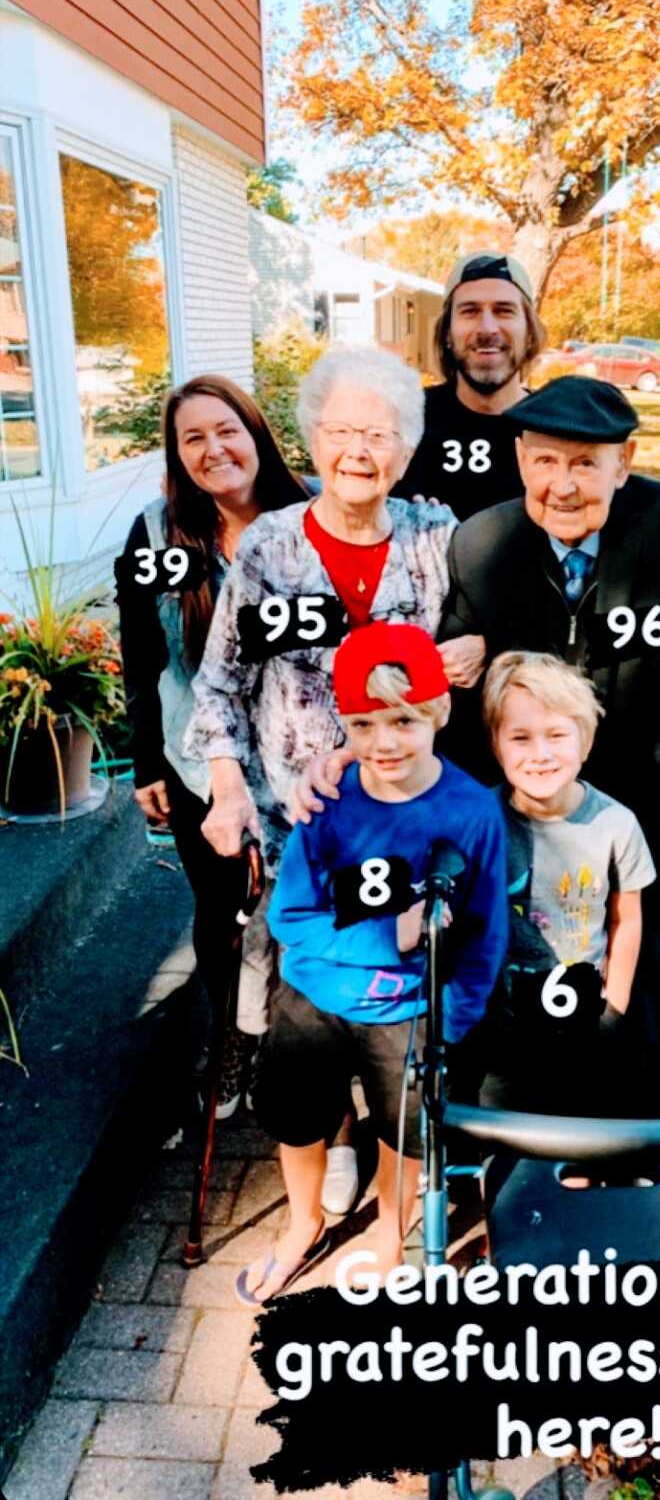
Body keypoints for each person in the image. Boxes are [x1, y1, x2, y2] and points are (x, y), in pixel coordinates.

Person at [298, 376, 660, 1105]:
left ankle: (627, 1135)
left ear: (622, 464)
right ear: (521, 458)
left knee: (642, 975)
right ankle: (518, 1142)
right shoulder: (483, 541)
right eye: (544, 462)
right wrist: (375, 746)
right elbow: (444, 678)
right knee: (513, 960)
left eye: (585, 464)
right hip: (529, 805)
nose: (561, 486)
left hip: (653, 790)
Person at [184, 347, 484, 1204]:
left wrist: (479, 646)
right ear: (313, 438)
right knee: (313, 1002)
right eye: (342, 429)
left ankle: (398, 1152)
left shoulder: (438, 537)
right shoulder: (273, 547)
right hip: (299, 828)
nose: (359, 448)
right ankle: (338, 1139)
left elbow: (488, 629)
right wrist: (229, 785)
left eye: (379, 433)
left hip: (408, 822)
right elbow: (220, 685)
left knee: (396, 998)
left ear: (406, 446)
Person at [235, 623, 507, 1305]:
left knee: (404, 1135)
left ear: (439, 712)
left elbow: (484, 932)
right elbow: (291, 917)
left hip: (411, 1016)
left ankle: (390, 1237)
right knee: (296, 1120)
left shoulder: (473, 812)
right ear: (343, 726)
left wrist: (457, 1018)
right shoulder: (330, 802)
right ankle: (304, 1223)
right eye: (363, 724)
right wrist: (392, 935)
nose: (384, 742)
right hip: (313, 1002)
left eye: (404, 720)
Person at [116, 375, 309, 1120]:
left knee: (303, 916)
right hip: (201, 763)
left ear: (255, 432)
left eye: (225, 429)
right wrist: (145, 765)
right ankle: (232, 1034)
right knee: (222, 914)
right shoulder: (155, 531)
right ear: (176, 455)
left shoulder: (313, 513)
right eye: (191, 437)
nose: (213, 448)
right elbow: (142, 655)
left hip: (305, 764)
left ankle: (307, 1051)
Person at [478, 650, 656, 1118]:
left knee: (577, 1141)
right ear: (497, 746)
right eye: (520, 738)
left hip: (581, 1018)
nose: (540, 754)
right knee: (506, 1141)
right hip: (504, 1022)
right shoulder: (479, 821)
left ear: (586, 742)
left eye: (557, 735)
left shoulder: (616, 824)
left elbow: (626, 919)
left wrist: (613, 1010)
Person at [394, 253, 546, 520]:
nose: (487, 328)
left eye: (503, 311)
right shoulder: (403, 419)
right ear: (447, 334)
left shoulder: (555, 430)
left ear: (530, 331)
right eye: (470, 311)